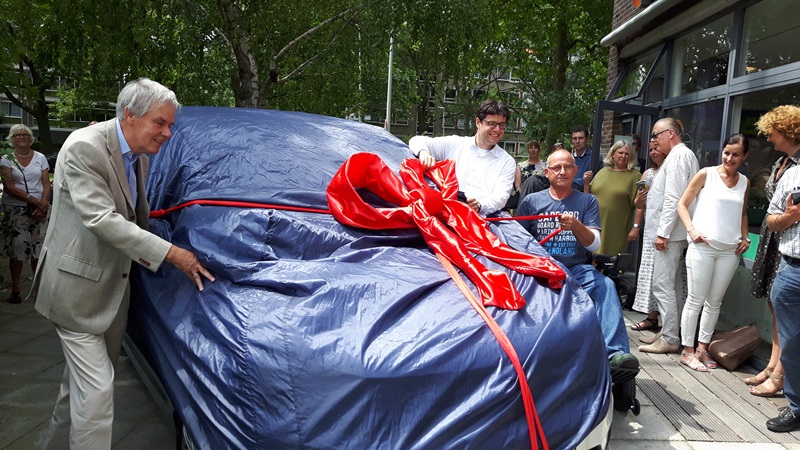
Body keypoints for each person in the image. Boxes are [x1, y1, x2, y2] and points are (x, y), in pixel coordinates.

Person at [31, 78, 216, 449]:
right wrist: (171, 253)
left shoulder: (138, 156)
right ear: (130, 115)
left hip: (112, 294)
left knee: (79, 393)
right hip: (75, 292)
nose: (167, 133)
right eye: (160, 123)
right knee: (97, 395)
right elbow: (102, 220)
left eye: (170, 125)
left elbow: (138, 218)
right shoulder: (85, 147)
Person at [517, 149, 638, 371]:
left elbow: (593, 244)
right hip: (541, 270)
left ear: (575, 171)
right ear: (547, 172)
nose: (562, 172)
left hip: (577, 269)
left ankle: (617, 354)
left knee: (606, 286)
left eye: (567, 167)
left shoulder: (587, 201)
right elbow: (518, 244)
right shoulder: (531, 202)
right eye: (556, 167)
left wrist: (577, 226)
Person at [677, 134, 750, 371]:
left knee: (714, 303)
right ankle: (687, 351)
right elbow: (682, 204)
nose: (729, 158)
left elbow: (743, 213)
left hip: (730, 251)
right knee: (695, 300)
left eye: (736, 154)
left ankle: (703, 349)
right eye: (727, 152)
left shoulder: (745, 182)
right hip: (703, 247)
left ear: (744, 157)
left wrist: (746, 236)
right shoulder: (706, 174)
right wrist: (691, 229)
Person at [746, 105, 800, 397]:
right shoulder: (783, 162)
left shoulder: (795, 165)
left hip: (787, 243)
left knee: (786, 314)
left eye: (772, 133)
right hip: (774, 236)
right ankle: (772, 364)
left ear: (786, 131)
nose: (768, 139)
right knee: (774, 303)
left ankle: (779, 374)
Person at [638, 118, 699, 354]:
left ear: (670, 133)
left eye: (655, 135)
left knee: (662, 285)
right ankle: (669, 331)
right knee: (672, 286)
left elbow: (673, 198)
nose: (653, 140)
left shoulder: (678, 157)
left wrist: (662, 233)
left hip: (670, 235)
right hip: (672, 233)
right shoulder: (679, 156)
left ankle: (671, 337)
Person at [409, 99, 516, 215]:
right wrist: (424, 152)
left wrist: (479, 205)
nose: (497, 129)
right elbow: (416, 140)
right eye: (492, 124)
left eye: (502, 125)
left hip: (478, 221)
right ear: (478, 122)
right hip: (443, 215)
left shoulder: (507, 162)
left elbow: (500, 197)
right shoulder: (456, 144)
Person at [764, 159, 800, 432]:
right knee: (790, 346)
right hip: (791, 270)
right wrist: (790, 216)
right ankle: (797, 408)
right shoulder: (792, 175)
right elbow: (771, 220)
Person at [0, 125, 50, 304]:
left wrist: (42, 205)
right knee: (18, 249)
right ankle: (16, 289)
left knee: (38, 249)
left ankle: (38, 289)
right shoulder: (7, 159)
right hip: (16, 210)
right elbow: (9, 186)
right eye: (18, 134)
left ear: (31, 138)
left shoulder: (40, 157)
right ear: (12, 139)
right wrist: (33, 200)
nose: (22, 137)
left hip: (39, 209)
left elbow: (46, 183)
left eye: (25, 134)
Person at [587, 140, 640, 255]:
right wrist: (586, 183)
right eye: (620, 152)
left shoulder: (634, 176)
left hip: (616, 226)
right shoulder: (602, 172)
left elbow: (639, 206)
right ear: (613, 154)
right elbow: (588, 197)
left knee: (609, 261)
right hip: (596, 222)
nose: (623, 156)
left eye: (627, 154)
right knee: (592, 257)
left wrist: (636, 227)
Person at [571, 126, 593, 192]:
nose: (577, 141)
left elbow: (592, 181)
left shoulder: (594, 158)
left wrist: (570, 181)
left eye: (580, 138)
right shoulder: (569, 158)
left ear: (587, 139)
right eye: (575, 138)